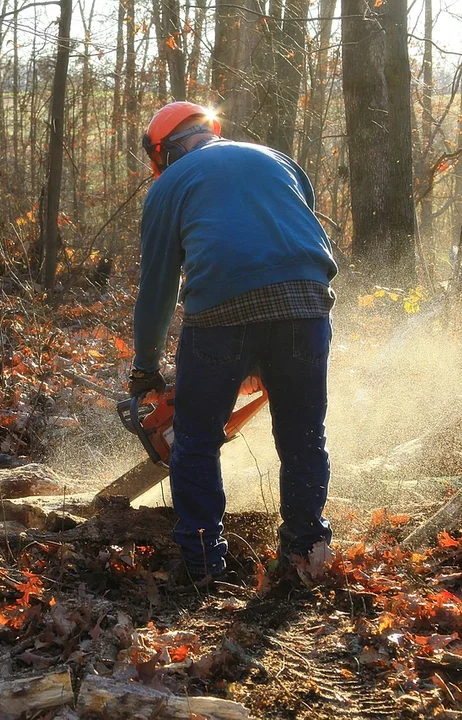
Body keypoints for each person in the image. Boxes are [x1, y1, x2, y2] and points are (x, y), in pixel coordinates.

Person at [128, 101, 338, 583]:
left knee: (196, 440)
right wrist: (270, 347)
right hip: (308, 304)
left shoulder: (169, 188)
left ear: (163, 153)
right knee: (304, 436)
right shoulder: (278, 159)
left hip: (221, 308)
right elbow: (298, 238)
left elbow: (157, 289)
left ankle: (203, 565)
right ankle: (306, 554)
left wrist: (144, 367)